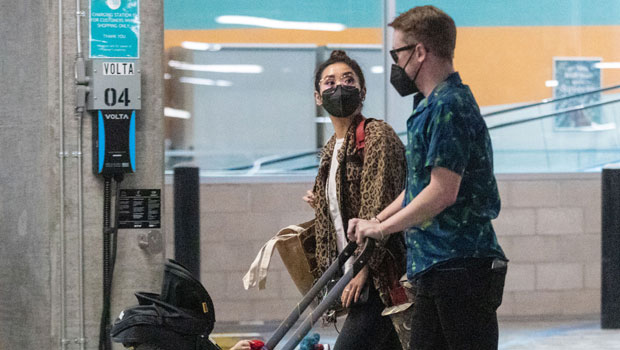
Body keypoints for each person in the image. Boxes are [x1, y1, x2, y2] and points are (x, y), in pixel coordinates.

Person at [347, 5, 508, 350]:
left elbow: (442, 192)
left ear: (420, 52)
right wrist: (375, 220)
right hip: (437, 267)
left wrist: (384, 229)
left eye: (397, 53)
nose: (395, 64)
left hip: (460, 268)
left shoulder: (449, 106)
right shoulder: (431, 106)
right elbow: (418, 190)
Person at [302, 50, 407, 350]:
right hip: (353, 276)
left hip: (380, 278)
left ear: (362, 91)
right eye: (330, 81)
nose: (339, 87)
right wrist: (321, 202)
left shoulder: (376, 135)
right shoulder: (331, 148)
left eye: (348, 80)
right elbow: (346, 205)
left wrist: (363, 269)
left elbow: (377, 207)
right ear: (318, 97)